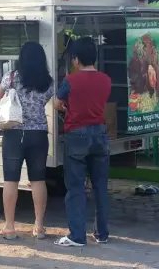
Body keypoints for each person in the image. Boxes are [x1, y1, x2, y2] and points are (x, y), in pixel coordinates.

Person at [54, 37, 112, 247]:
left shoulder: (71, 80)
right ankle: (102, 233)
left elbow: (56, 103)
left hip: (77, 135)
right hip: (100, 134)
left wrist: (65, 107)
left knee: (76, 187)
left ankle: (77, 236)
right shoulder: (106, 79)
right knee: (100, 187)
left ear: (76, 60)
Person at [0, 41, 54, 240]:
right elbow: (47, 100)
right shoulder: (48, 82)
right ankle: (39, 227)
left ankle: (10, 227)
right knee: (38, 179)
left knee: (10, 179)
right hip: (38, 134)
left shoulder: (10, 77)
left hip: (13, 133)